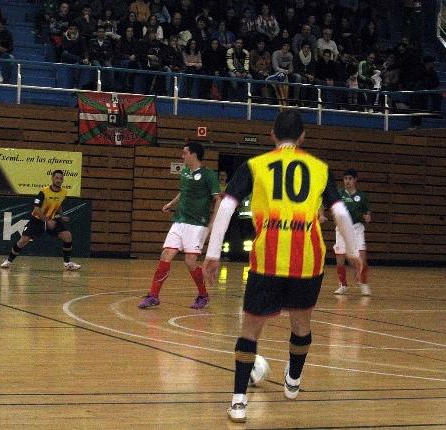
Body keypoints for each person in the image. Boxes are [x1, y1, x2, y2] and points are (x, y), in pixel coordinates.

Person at [202, 110, 362, 423]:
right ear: (303, 137)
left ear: (272, 135)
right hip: (308, 260)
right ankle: (293, 381)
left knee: (250, 330)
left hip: (268, 259)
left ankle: (238, 401)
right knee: (301, 325)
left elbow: (227, 206)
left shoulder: (255, 165)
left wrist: (212, 252)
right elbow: (341, 214)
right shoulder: (319, 168)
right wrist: (354, 252)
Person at [138, 141, 221, 310]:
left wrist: (213, 223)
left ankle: (203, 295)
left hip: (197, 224)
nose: (182, 156)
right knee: (166, 254)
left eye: (185, 153)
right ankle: (153, 295)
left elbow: (217, 199)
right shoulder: (184, 172)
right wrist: (171, 204)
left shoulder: (208, 175)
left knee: (190, 262)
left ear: (194, 155)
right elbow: (183, 192)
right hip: (179, 221)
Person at [0, 170, 81, 271]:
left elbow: (58, 204)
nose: (59, 180)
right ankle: (8, 261)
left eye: (61, 178)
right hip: (37, 220)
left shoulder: (63, 192)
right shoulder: (43, 192)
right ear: (52, 178)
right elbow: (36, 209)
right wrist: (47, 221)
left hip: (52, 220)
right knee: (23, 240)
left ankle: (67, 263)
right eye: (57, 178)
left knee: (67, 236)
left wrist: (61, 215)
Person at [333, 169, 371, 296]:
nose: (347, 181)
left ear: (355, 180)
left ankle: (364, 283)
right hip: (342, 229)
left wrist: (367, 218)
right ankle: (343, 285)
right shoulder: (339, 194)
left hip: (356, 228)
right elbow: (326, 205)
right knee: (340, 259)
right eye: (345, 179)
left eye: (350, 178)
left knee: (362, 258)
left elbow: (368, 215)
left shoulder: (362, 196)